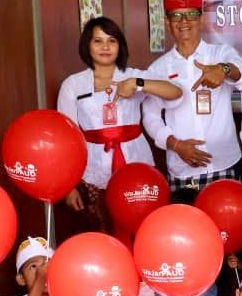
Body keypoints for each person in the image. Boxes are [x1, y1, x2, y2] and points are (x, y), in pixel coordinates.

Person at [57, 16, 182, 232]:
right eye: (98, 41)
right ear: (87, 45)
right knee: (101, 230)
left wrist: (139, 84)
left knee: (144, 227)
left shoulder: (133, 75)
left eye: (111, 40)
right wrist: (68, 187)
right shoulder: (73, 85)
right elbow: (66, 138)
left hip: (136, 163)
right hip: (92, 172)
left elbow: (176, 92)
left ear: (120, 45)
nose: (105, 47)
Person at [142, 0, 242, 204]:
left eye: (190, 15)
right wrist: (176, 145)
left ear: (201, 18)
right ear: (167, 21)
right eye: (176, 16)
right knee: (189, 231)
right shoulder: (158, 68)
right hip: (183, 168)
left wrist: (223, 69)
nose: (184, 22)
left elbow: (241, 71)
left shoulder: (220, 53)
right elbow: (150, 117)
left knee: (231, 230)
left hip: (224, 161)